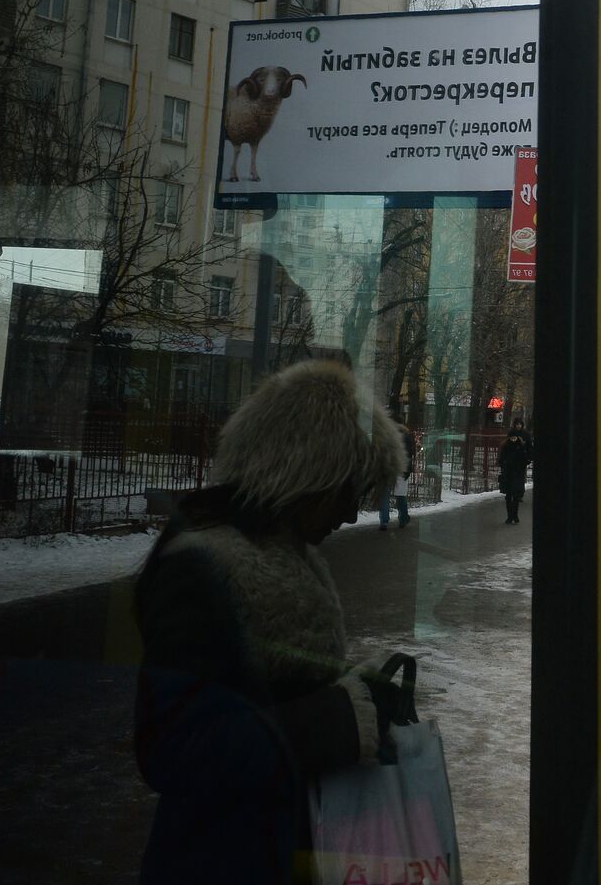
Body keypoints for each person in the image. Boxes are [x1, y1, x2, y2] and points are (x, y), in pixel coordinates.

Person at [133, 359, 410, 885]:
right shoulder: (203, 565)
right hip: (218, 863)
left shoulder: (285, 556)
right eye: (348, 492)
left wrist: (354, 689)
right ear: (309, 475)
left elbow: (264, 692)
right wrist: (340, 717)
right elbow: (172, 749)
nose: (351, 515)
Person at [378, 422, 415, 530]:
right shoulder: (407, 437)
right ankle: (403, 519)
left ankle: (384, 521)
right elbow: (410, 455)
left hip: (388, 469)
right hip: (401, 469)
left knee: (385, 496)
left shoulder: (386, 435)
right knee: (400, 496)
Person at [498, 426, 531, 524]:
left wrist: (524, 463)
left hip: (518, 474)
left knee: (516, 496)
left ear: (517, 437)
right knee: (508, 496)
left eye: (514, 438)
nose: (513, 439)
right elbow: (501, 459)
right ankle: (509, 516)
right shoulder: (505, 446)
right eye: (511, 438)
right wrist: (504, 464)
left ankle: (515, 515)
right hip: (508, 474)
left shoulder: (521, 446)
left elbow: (525, 459)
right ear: (509, 438)